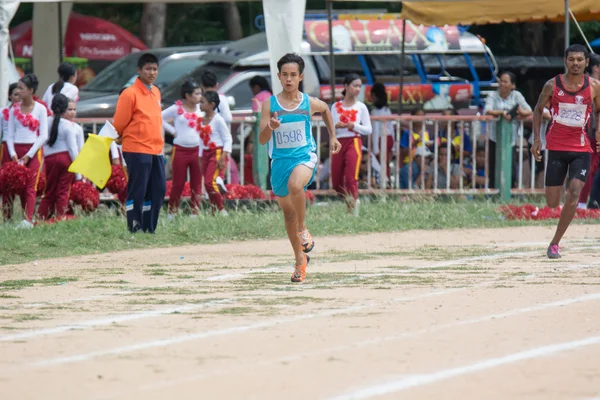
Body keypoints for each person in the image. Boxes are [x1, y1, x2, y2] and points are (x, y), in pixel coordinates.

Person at [258, 53, 341, 283]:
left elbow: (325, 109)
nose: (288, 79)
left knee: (296, 185)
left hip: (304, 157)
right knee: (288, 214)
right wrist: (271, 127)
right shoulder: (270, 104)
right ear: (278, 76)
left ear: (300, 77)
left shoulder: (308, 102)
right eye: (284, 75)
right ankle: (299, 260)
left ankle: (304, 230)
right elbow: (262, 139)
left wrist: (333, 136)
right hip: (279, 162)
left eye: (293, 75)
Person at [532, 44, 600, 259]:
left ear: (586, 62)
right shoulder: (552, 85)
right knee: (552, 202)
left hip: (581, 148)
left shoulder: (595, 86)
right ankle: (560, 204)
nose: (576, 63)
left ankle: (555, 243)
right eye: (572, 59)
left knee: (574, 193)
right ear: (565, 61)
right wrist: (536, 139)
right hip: (556, 147)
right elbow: (537, 109)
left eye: (580, 59)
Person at [112, 53, 166, 234]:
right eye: (148, 69)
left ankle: (149, 228)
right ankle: (134, 227)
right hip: (136, 148)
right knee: (138, 190)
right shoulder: (129, 94)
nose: (152, 73)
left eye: (155, 69)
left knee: (157, 190)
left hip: (155, 148)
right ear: (139, 70)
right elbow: (119, 122)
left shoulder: (156, 91)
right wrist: (119, 136)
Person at [4, 74, 49, 227]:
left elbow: (44, 135)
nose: (18, 91)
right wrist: (13, 154)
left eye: (21, 88)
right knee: (11, 186)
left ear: (30, 90)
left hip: (33, 150)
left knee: (30, 186)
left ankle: (27, 220)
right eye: (17, 88)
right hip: (16, 150)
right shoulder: (13, 110)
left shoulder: (41, 109)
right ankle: (7, 219)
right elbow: (9, 135)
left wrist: (29, 154)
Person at [330, 73, 372, 215]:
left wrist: (353, 125)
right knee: (336, 182)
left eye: (359, 86)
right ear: (346, 86)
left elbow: (368, 129)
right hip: (338, 142)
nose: (358, 89)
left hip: (353, 140)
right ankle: (349, 200)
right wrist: (337, 127)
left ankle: (353, 208)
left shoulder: (361, 107)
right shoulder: (335, 106)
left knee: (351, 177)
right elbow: (331, 126)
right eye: (355, 85)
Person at [161, 78, 203, 217]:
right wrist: (172, 131)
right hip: (180, 150)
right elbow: (159, 117)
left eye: (200, 93)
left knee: (196, 183)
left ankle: (195, 212)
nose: (199, 97)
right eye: (196, 94)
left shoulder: (201, 108)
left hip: (197, 150)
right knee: (178, 183)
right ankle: (172, 212)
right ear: (187, 96)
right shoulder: (176, 108)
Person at [484, 71, 532, 188]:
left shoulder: (517, 95)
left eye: (505, 81)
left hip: (511, 137)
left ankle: (509, 191)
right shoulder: (492, 95)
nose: (501, 83)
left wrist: (520, 112)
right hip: (494, 137)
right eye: (500, 81)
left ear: (513, 85)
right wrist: (501, 113)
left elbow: (529, 110)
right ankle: (493, 193)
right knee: (493, 166)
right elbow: (487, 110)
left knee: (510, 167)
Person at [37, 94, 78, 220]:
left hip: (49, 160)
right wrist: (77, 167)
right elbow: (72, 148)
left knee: (49, 191)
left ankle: (42, 218)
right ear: (65, 108)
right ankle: (61, 217)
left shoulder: (45, 122)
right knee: (63, 191)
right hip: (65, 159)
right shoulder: (67, 125)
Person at [199, 90, 232, 215]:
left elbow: (228, 138)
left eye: (203, 102)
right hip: (206, 154)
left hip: (216, 152)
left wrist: (224, 155)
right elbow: (202, 140)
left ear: (212, 104)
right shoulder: (201, 120)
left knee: (209, 182)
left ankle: (222, 209)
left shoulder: (218, 119)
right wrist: (200, 156)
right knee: (208, 184)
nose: (200, 104)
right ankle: (214, 210)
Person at [579, 53, 600, 208]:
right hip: (592, 133)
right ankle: (585, 202)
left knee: (591, 168)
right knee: (590, 168)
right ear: (596, 68)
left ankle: (586, 202)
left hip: (591, 132)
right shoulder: (589, 86)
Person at [370, 82, 394, 186]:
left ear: (374, 95)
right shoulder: (387, 110)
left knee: (381, 165)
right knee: (386, 164)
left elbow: (375, 131)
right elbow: (391, 128)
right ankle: (388, 185)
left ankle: (385, 185)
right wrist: (394, 146)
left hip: (380, 140)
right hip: (389, 139)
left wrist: (375, 149)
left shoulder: (374, 112)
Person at [1, 83, 20, 165]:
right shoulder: (2, 111)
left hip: (19, 145)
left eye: (20, 95)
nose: (18, 98)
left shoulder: (25, 112)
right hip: (5, 146)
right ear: (9, 96)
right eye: (16, 95)